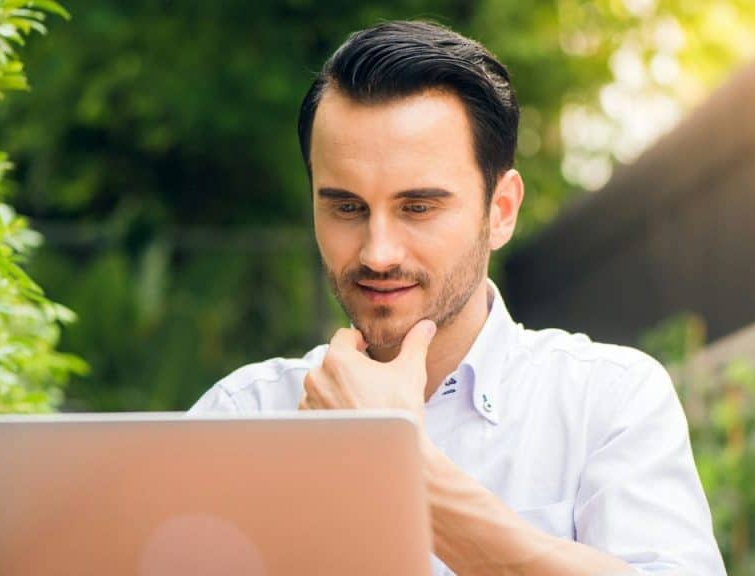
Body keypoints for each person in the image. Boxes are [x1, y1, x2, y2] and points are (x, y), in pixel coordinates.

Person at [190, 20, 725, 575]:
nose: (377, 252)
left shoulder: (606, 402)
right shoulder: (244, 415)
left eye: (418, 207)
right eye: (346, 207)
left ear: (501, 211)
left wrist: (398, 461)